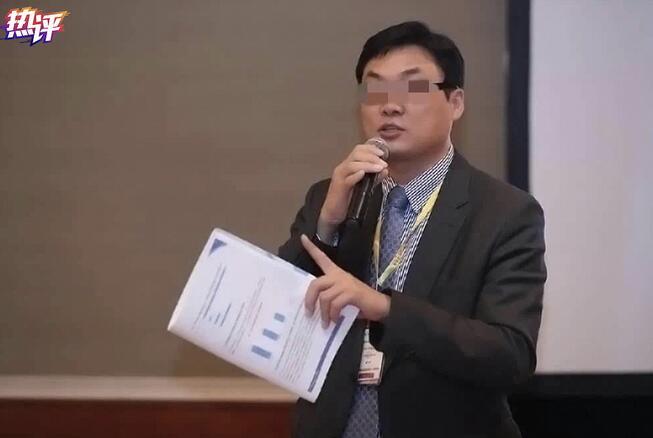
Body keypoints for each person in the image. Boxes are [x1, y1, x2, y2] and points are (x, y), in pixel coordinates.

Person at [278, 21, 546, 438]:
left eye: (413, 88)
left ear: (455, 102)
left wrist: (385, 309)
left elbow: (509, 354)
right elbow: (279, 315)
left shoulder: (505, 212)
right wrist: (327, 225)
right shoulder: (330, 197)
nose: (389, 106)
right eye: (375, 90)